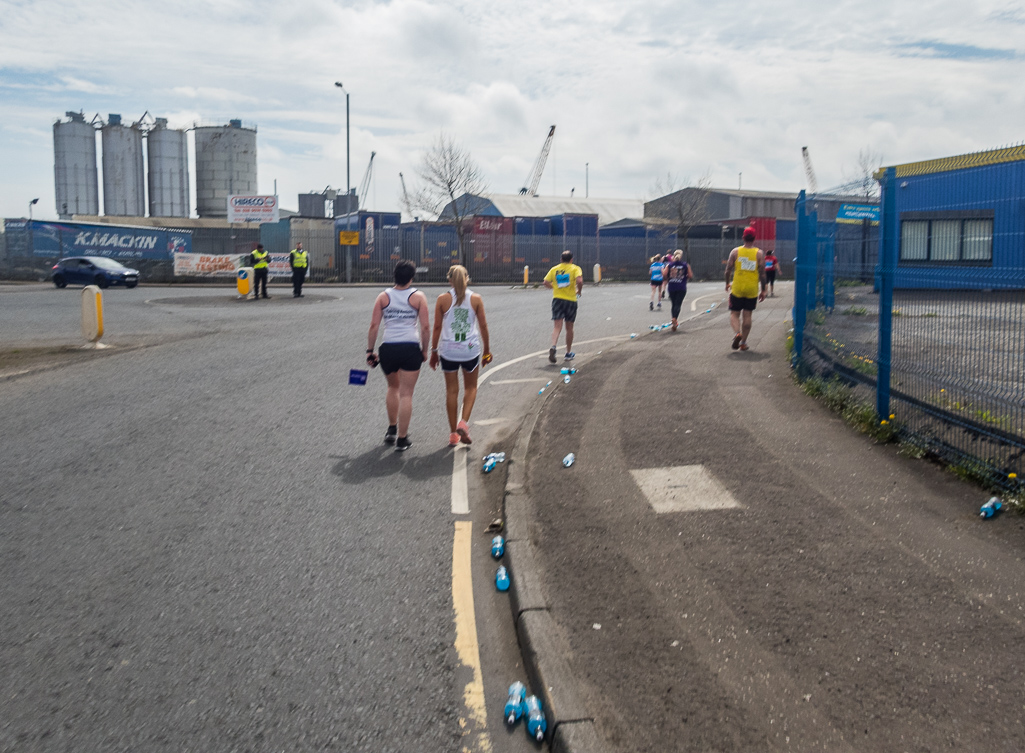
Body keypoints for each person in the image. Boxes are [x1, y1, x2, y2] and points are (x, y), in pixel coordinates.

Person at [366, 260, 430, 452]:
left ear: (394, 275)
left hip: (389, 348)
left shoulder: (383, 297)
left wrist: (370, 351)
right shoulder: (418, 296)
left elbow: (374, 326)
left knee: (392, 387)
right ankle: (402, 439)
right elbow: (426, 327)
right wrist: (425, 350)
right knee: (406, 394)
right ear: (411, 277)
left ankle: (392, 429)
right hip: (410, 347)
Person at [429, 265, 491, 447]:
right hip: (470, 348)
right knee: (471, 388)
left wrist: (434, 352)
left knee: (451, 391)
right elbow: (483, 327)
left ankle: (453, 434)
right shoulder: (476, 299)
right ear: (467, 279)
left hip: (448, 350)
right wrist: (487, 351)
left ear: (449, 280)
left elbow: (437, 328)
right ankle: (463, 422)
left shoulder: (442, 299)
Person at [725, 226, 767, 351]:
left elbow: (728, 270)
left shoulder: (735, 252)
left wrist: (727, 283)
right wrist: (763, 290)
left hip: (737, 288)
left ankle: (737, 333)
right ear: (754, 238)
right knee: (747, 315)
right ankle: (743, 342)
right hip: (752, 289)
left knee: (734, 314)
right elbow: (763, 273)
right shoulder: (759, 254)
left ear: (743, 237)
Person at [543, 250, 584, 363]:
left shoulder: (554, 269)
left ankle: (553, 346)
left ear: (561, 259)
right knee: (569, 327)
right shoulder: (575, 268)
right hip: (570, 300)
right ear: (571, 260)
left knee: (557, 326)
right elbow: (579, 280)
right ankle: (568, 353)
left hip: (557, 300)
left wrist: (553, 287)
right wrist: (579, 291)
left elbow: (545, 282)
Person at [664, 249, 693, 331]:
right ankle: (675, 318)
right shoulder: (685, 265)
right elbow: (690, 275)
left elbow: (665, 275)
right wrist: (685, 277)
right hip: (681, 287)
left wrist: (669, 278)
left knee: (673, 304)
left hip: (672, 287)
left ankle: (674, 319)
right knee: (678, 304)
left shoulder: (669, 265)